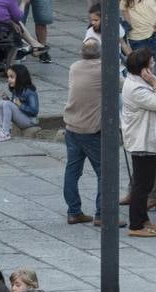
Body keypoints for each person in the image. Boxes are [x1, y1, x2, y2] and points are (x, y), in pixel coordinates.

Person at [119, 47, 156, 238]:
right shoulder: (137, 87)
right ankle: (136, 225)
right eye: (151, 63)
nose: (154, 65)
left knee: (145, 183)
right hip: (141, 139)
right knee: (141, 184)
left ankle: (143, 218)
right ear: (143, 68)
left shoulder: (137, 82)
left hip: (145, 137)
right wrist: (155, 82)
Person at [62, 41, 104, 226]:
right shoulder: (103, 70)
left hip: (71, 125)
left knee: (72, 170)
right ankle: (103, 214)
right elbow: (122, 85)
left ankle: (73, 211)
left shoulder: (75, 67)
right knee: (104, 172)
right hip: (91, 129)